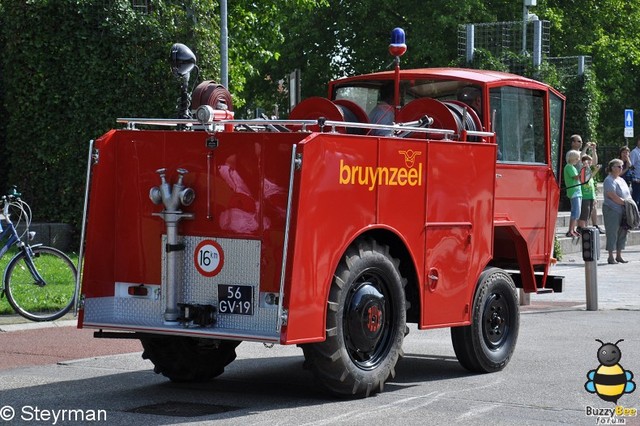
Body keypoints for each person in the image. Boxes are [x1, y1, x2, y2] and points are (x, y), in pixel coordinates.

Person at [569, 135, 603, 233]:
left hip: (589, 189)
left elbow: (594, 163)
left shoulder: (586, 163)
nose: (581, 143)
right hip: (582, 189)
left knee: (589, 210)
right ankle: (580, 228)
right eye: (579, 141)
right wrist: (586, 148)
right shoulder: (573, 155)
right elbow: (580, 159)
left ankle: (589, 227)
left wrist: (594, 150)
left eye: (581, 141)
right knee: (582, 212)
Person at [602, 158, 632, 264]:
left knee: (622, 232)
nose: (621, 168)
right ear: (612, 168)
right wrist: (625, 203)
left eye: (622, 166)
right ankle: (610, 256)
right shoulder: (608, 180)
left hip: (623, 210)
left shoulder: (621, 179)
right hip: (612, 210)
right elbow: (612, 195)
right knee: (612, 232)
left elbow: (627, 194)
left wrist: (628, 204)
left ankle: (619, 255)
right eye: (619, 166)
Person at [578, 154, 600, 231]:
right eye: (589, 161)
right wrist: (595, 170)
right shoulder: (583, 170)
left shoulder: (589, 171)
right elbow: (585, 179)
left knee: (588, 214)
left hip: (590, 196)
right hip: (584, 196)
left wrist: (594, 197)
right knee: (584, 214)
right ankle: (581, 228)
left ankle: (585, 228)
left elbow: (591, 183)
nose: (591, 163)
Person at [563, 150, 582, 237]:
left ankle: (573, 229)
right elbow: (576, 177)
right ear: (572, 158)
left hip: (577, 191)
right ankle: (570, 230)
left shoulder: (572, 167)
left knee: (577, 212)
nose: (578, 160)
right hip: (574, 192)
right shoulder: (569, 167)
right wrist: (584, 169)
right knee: (575, 211)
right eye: (577, 158)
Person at [630, 136, 640, 208]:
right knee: (636, 201)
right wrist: (634, 179)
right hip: (637, 180)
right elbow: (631, 166)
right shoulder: (634, 152)